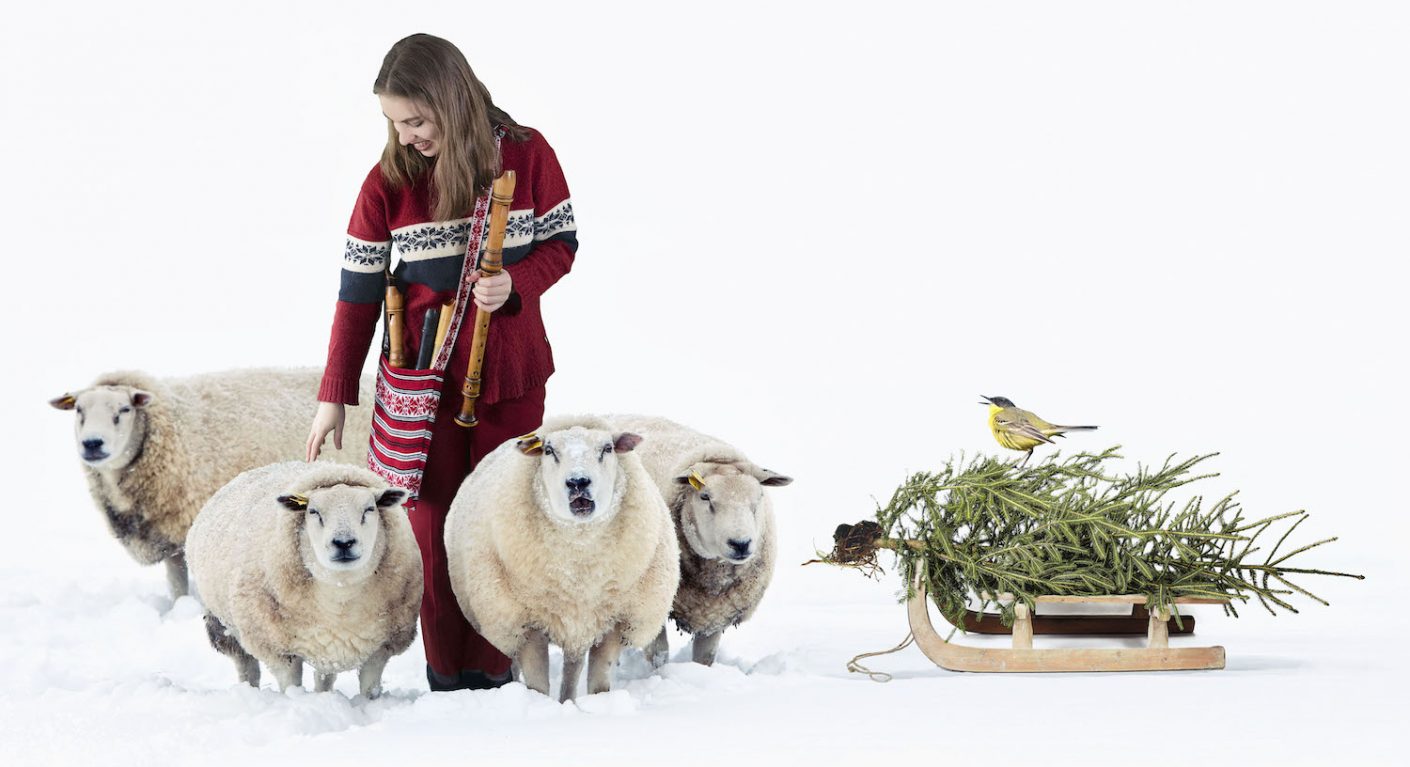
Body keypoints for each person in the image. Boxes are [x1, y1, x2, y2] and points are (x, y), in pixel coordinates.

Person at [304, 33, 576, 692]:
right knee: (430, 527)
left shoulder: (528, 154)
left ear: (451, 101)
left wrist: (516, 285)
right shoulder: (387, 182)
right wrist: (334, 391)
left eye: (417, 120)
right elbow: (358, 291)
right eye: (395, 123)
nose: (407, 136)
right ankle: (446, 676)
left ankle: (498, 668)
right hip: (418, 389)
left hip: (511, 381)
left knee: (501, 524)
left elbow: (562, 243)